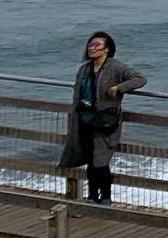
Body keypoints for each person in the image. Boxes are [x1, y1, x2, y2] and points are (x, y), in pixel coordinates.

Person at [57, 31, 145, 205]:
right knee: (90, 159)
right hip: (83, 120)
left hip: (105, 121)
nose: (92, 48)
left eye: (97, 45)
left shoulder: (115, 67)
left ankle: (105, 197)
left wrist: (118, 88)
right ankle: (92, 196)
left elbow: (140, 79)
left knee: (100, 160)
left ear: (107, 49)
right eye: (90, 45)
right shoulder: (84, 69)